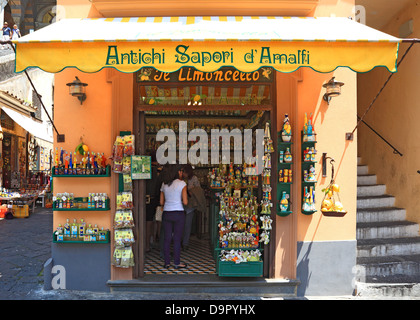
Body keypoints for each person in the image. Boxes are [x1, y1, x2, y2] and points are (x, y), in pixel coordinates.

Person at [160, 164, 188, 268]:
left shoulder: (164, 184)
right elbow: (185, 202)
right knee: (177, 239)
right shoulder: (182, 184)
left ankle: (167, 262)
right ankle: (176, 263)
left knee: (167, 238)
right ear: (178, 172)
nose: (182, 173)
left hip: (167, 212)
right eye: (181, 171)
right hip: (178, 213)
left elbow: (161, 202)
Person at [182, 164, 203, 250]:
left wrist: (190, 191)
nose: (183, 173)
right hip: (181, 204)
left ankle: (185, 243)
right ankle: (180, 241)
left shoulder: (194, 179)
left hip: (190, 205)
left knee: (187, 224)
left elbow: (199, 191)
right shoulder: (181, 179)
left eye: (184, 171)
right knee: (181, 224)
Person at [145, 153, 161, 252]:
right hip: (155, 199)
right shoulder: (158, 172)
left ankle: (146, 244)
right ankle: (152, 241)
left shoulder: (145, 169)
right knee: (153, 222)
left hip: (145, 199)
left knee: (147, 222)